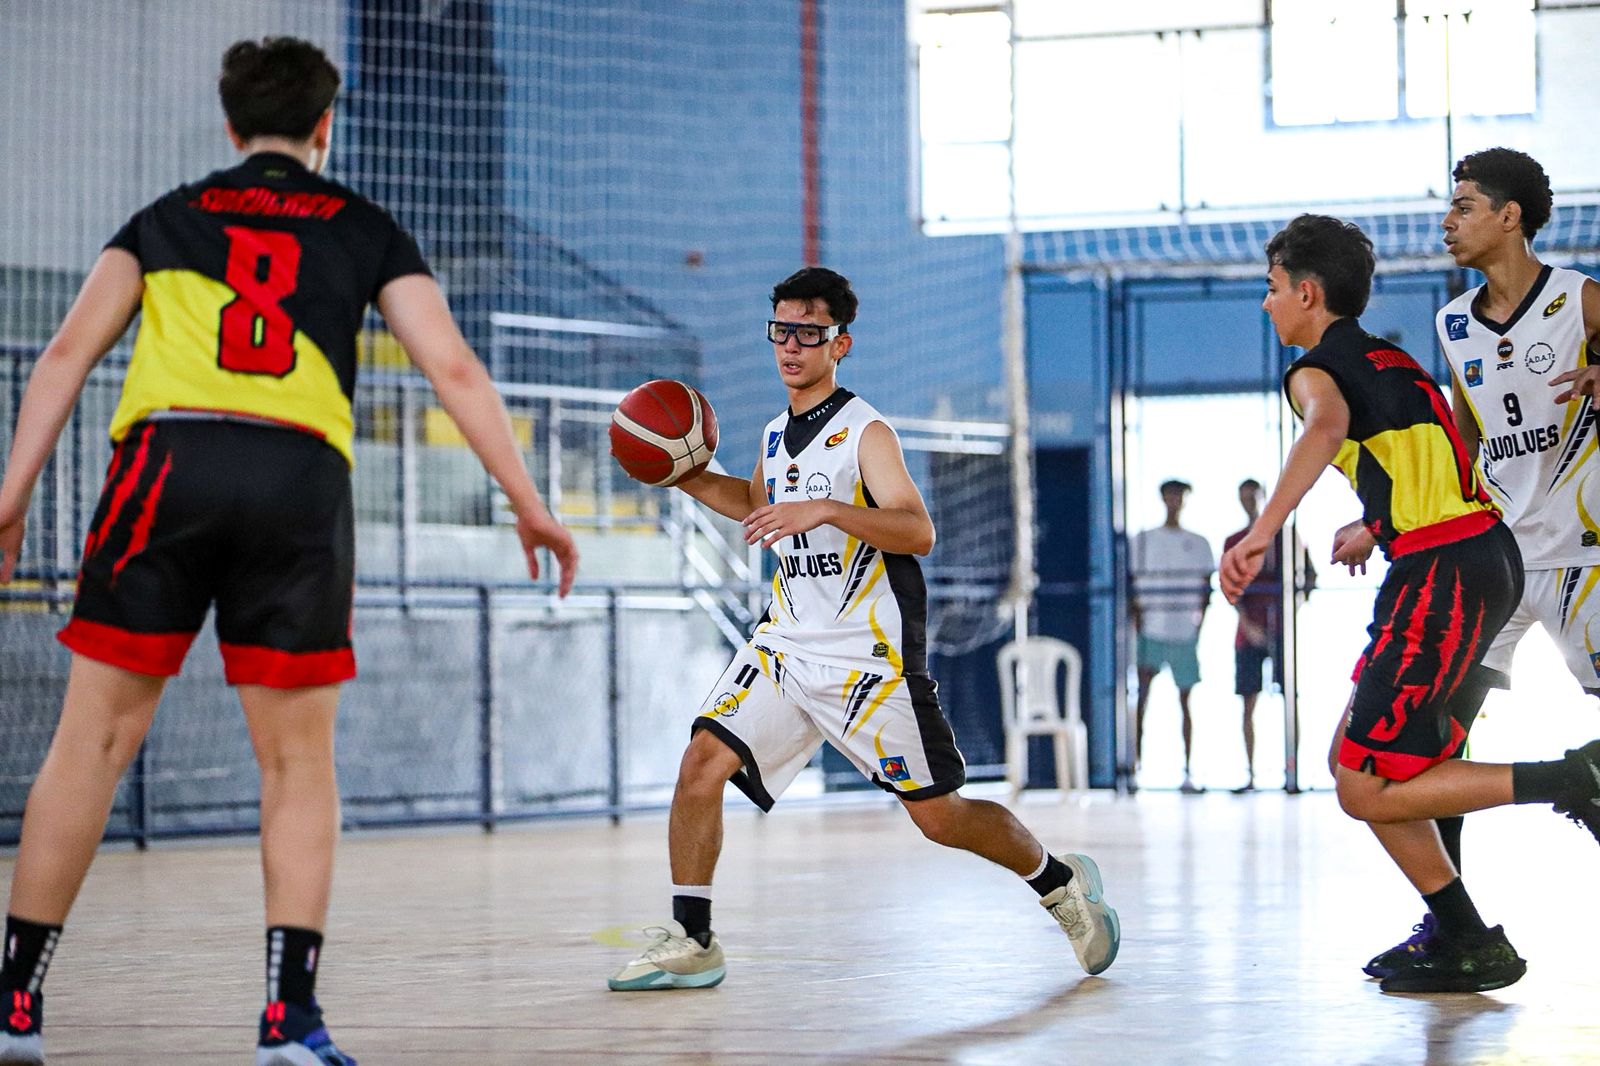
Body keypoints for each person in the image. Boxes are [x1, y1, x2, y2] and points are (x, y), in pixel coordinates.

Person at [0, 37, 577, 1065]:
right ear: (326, 125)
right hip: (297, 481)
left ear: (230, 125)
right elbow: (451, 365)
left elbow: (63, 355)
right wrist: (527, 502)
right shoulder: (365, 227)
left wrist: (10, 502)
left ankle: (14, 1007)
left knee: (89, 744)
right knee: (295, 764)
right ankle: (288, 1023)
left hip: (166, 464)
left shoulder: (164, 218)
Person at [605, 267, 1119, 992]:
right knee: (700, 765)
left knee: (940, 819)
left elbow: (917, 530)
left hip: (867, 660)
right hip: (787, 646)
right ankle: (694, 939)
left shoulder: (865, 432)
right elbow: (756, 502)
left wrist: (828, 510)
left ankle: (1061, 883)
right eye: (781, 331)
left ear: (839, 343)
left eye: (808, 333)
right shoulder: (776, 435)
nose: (791, 345)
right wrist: (680, 473)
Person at [1219, 213, 1600, 994]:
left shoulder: (1313, 374)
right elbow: (1442, 454)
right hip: (1480, 556)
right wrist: (1379, 520)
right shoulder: (1394, 358)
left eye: (1272, 287)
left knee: (1363, 783)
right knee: (1357, 761)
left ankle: (1573, 778)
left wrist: (1261, 532)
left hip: (1442, 576)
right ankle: (1461, 932)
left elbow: (1325, 427)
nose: (1266, 303)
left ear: (1307, 293)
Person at [1349, 148, 1600, 980]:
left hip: (1584, 555)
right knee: (1427, 750)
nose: (1447, 222)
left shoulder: (1579, 298)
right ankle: (1455, 929)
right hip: (1496, 562)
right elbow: (1459, 438)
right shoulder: (1454, 324)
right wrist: (1379, 515)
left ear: (1509, 216)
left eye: (1463, 206)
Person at [1222, 478, 1315, 793]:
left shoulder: (1286, 537)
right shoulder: (1235, 540)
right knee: (1248, 701)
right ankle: (1251, 773)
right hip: (1248, 634)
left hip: (1280, 631)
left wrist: (1290, 613)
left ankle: (1292, 771)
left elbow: (1309, 577)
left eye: (1253, 497)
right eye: (1244, 497)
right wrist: (1248, 625)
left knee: (1290, 699)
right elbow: (1230, 587)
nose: (1249, 503)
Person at [1129, 479, 1214, 792]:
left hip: (1183, 632)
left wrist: (1197, 628)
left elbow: (1206, 590)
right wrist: (1139, 623)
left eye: (1179, 495)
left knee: (1186, 701)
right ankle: (1134, 766)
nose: (1174, 501)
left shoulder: (1199, 543)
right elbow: (1131, 586)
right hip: (1151, 629)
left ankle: (1188, 770)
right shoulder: (1143, 540)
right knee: (1142, 697)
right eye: (1170, 495)